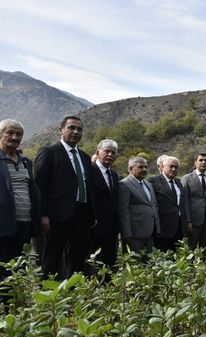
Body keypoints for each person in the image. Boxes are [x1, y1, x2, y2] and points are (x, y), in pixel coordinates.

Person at [34, 116, 95, 279]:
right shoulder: (49, 152)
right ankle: (47, 297)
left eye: (79, 129)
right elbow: (40, 186)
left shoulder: (85, 157)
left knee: (77, 259)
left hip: (81, 216)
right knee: (52, 260)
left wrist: (91, 215)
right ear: (61, 130)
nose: (75, 132)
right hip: (57, 217)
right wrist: (43, 215)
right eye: (71, 128)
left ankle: (73, 295)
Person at [0, 119, 41, 281]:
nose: (14, 137)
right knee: (3, 269)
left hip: (24, 224)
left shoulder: (25, 162)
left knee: (19, 267)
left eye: (18, 134)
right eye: (10, 132)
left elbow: (33, 190)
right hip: (2, 225)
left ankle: (15, 304)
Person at [88, 139, 120, 271]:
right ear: (98, 152)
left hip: (111, 229)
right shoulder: (89, 171)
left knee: (109, 264)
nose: (110, 155)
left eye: (113, 152)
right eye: (107, 151)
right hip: (93, 228)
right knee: (92, 265)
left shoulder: (114, 175)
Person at [119, 157, 161, 253]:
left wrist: (157, 228)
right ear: (130, 169)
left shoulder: (148, 184)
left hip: (150, 232)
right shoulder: (124, 184)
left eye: (146, 167)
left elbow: (153, 206)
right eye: (140, 167)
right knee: (135, 264)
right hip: (134, 234)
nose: (144, 170)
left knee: (148, 264)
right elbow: (123, 211)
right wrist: (126, 234)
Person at [182, 153, 206, 249]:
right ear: (195, 162)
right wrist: (187, 220)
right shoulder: (186, 178)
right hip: (194, 221)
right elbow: (185, 202)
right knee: (191, 249)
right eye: (201, 160)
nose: (203, 162)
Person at [149, 156, 187, 251]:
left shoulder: (178, 182)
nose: (174, 169)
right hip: (163, 228)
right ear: (162, 166)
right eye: (171, 166)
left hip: (178, 227)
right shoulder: (153, 181)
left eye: (176, 167)